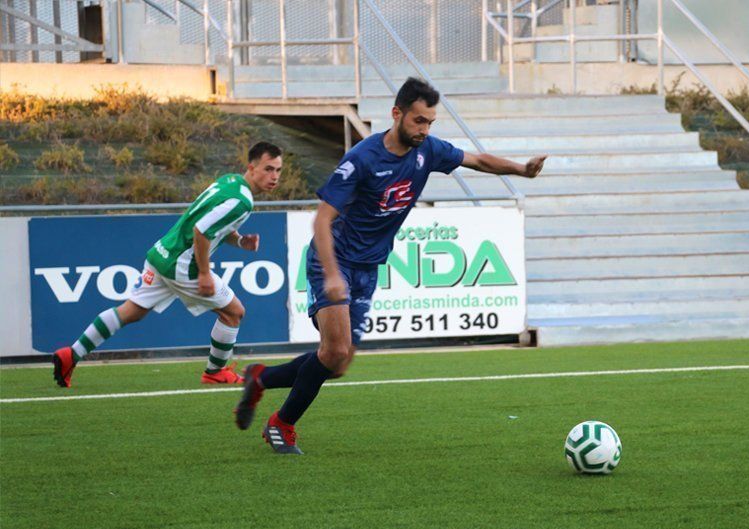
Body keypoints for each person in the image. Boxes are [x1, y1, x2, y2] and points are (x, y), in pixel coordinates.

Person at [234, 78, 546, 455]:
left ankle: (261, 377)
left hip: (369, 267)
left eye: (430, 122)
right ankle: (281, 425)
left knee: (338, 360)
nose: (424, 129)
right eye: (418, 120)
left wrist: (522, 170)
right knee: (334, 351)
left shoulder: (428, 150)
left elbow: (477, 160)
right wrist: (332, 275)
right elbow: (321, 219)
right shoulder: (362, 159)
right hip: (333, 259)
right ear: (396, 114)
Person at [51, 142, 283, 387]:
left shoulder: (230, 181)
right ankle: (216, 371)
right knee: (234, 312)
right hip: (183, 265)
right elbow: (201, 231)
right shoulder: (242, 201)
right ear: (252, 167)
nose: (274, 176)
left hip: (162, 252)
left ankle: (71, 354)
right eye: (269, 169)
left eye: (278, 170)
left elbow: (211, 225)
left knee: (131, 311)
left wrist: (240, 241)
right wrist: (204, 273)